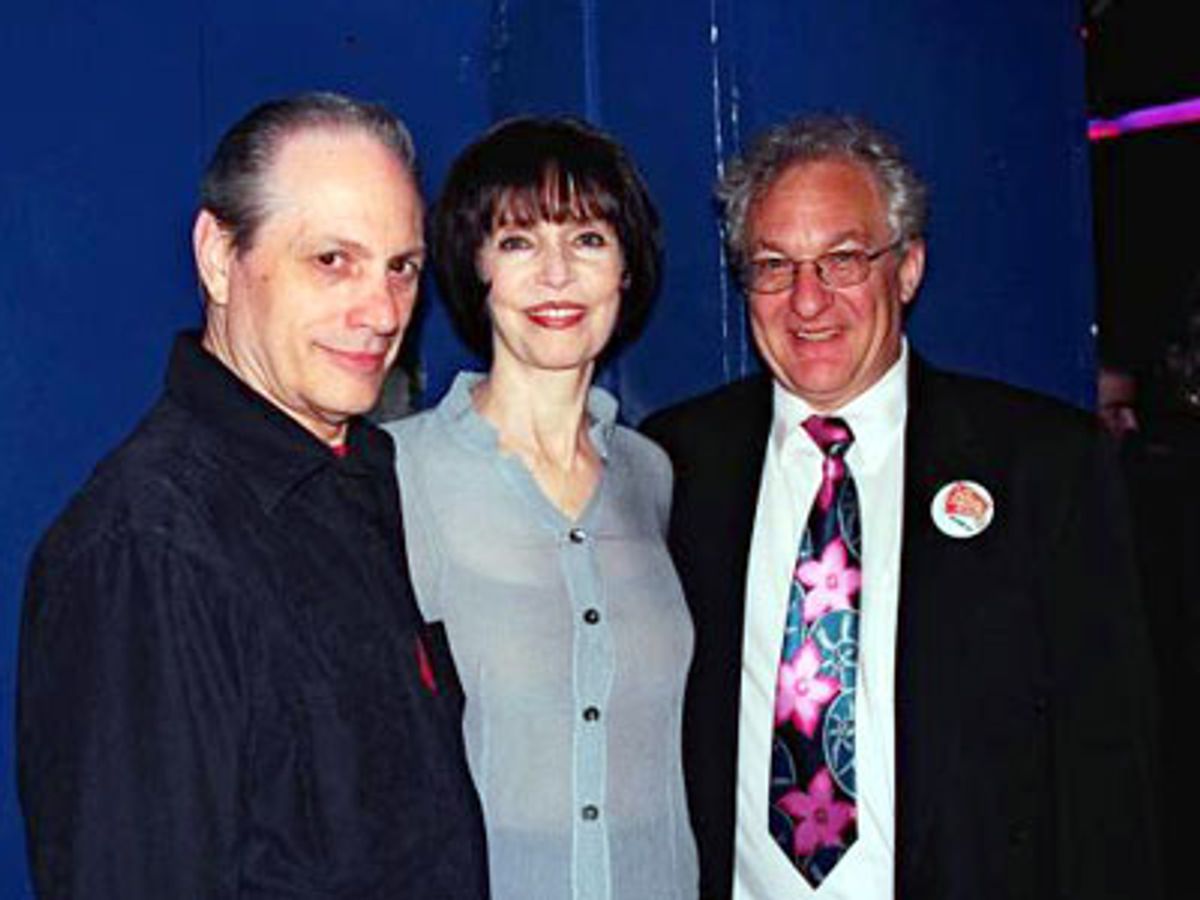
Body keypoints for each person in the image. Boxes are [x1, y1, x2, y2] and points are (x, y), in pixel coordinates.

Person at [641, 114, 1161, 900]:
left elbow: (1111, 767)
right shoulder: (677, 463)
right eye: (774, 266)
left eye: (843, 260)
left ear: (908, 268)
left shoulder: (1042, 466)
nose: (807, 301)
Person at [17, 92, 488, 899]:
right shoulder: (149, 547)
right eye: (331, 260)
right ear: (215, 256)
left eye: (400, 267)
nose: (380, 313)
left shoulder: (357, 476)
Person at [386, 116, 698, 899]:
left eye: (589, 239)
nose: (556, 275)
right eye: (519, 241)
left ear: (626, 270)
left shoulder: (652, 474)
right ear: (475, 268)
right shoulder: (396, 473)